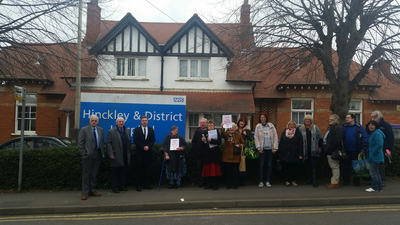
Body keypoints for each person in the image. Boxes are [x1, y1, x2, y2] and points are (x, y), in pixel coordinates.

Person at [78, 115, 104, 200]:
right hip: (87, 155)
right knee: (86, 175)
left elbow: (101, 142)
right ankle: (84, 192)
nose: (94, 122)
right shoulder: (84, 130)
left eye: (95, 120)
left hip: (97, 154)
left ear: (97, 122)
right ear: (89, 121)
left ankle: (92, 190)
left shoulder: (100, 130)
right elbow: (80, 143)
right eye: (92, 120)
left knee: (93, 174)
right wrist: (83, 153)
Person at [366, 110, 394, 186]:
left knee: (380, 166)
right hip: (373, 149)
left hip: (382, 149)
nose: (373, 118)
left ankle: (381, 181)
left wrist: (389, 148)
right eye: (372, 117)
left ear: (379, 117)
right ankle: (375, 180)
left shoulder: (385, 125)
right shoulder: (371, 125)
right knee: (373, 167)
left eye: (374, 117)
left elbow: (390, 138)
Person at [341, 114, 368, 186]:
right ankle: (346, 181)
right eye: (346, 117)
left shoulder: (359, 127)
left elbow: (364, 138)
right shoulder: (344, 127)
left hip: (356, 151)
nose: (346, 119)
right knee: (345, 167)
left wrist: (363, 150)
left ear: (353, 119)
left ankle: (356, 181)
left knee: (357, 167)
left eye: (348, 118)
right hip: (346, 151)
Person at [106, 117, 131, 193]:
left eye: (122, 121)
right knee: (115, 172)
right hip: (115, 155)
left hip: (125, 154)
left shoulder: (127, 130)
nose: (121, 123)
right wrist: (111, 154)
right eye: (119, 121)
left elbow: (129, 142)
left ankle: (122, 186)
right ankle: (115, 187)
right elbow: (108, 144)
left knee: (123, 172)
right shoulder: (111, 131)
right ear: (116, 122)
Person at [254, 113, 278, 188]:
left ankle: (267, 181)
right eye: (261, 117)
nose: (263, 118)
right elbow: (256, 137)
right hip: (262, 149)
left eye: (264, 117)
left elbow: (275, 137)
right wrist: (258, 148)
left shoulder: (271, 126)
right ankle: (261, 181)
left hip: (270, 149)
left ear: (266, 118)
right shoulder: (258, 126)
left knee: (269, 165)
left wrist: (275, 148)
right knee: (261, 165)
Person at [299, 115, 323, 188]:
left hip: (314, 150)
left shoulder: (315, 128)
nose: (307, 121)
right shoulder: (301, 128)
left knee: (314, 165)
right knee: (307, 166)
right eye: (306, 120)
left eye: (309, 120)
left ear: (311, 120)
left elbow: (321, 138)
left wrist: (320, 147)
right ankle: (309, 179)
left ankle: (314, 180)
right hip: (305, 150)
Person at [133, 116, 156, 192]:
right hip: (139, 153)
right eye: (143, 120)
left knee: (147, 169)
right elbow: (135, 140)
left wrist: (148, 146)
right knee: (139, 169)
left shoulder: (151, 130)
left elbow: (153, 140)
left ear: (147, 121)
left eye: (146, 120)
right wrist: (143, 147)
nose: (144, 122)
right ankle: (138, 185)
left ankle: (146, 184)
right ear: (140, 121)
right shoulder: (137, 130)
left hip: (148, 153)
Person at [278, 121, 303, 187]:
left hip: (294, 153)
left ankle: (293, 180)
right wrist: (280, 152)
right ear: (288, 126)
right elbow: (281, 142)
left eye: (293, 125)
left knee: (293, 168)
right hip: (285, 153)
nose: (291, 126)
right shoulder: (284, 132)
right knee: (286, 168)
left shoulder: (298, 133)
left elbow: (300, 144)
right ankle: (286, 180)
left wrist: (300, 154)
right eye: (290, 125)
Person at [221, 122, 245, 190]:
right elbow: (222, 135)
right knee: (228, 172)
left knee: (235, 172)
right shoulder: (227, 134)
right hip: (227, 156)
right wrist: (222, 128)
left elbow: (243, 143)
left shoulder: (238, 135)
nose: (231, 129)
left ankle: (235, 184)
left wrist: (239, 145)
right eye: (230, 127)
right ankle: (228, 184)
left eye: (233, 127)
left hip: (236, 156)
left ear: (235, 128)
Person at [323, 114, 343, 189]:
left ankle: (335, 182)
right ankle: (333, 181)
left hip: (333, 151)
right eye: (329, 119)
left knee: (335, 166)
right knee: (332, 166)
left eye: (331, 120)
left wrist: (331, 149)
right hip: (329, 150)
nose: (329, 121)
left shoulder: (336, 128)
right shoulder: (330, 128)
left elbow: (337, 141)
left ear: (335, 121)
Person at [202, 120, 222, 190]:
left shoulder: (217, 132)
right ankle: (208, 184)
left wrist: (212, 141)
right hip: (207, 153)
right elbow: (203, 143)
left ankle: (215, 184)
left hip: (215, 153)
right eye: (209, 126)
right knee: (208, 170)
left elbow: (219, 142)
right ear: (207, 126)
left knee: (214, 170)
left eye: (212, 125)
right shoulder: (205, 133)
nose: (211, 127)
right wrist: (204, 140)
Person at [365, 120, 385, 192]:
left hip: (375, 156)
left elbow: (379, 145)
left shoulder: (376, 134)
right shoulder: (374, 133)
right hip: (377, 156)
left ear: (376, 126)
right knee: (377, 172)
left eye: (372, 125)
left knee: (374, 173)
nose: (370, 126)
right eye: (369, 125)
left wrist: (372, 153)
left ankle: (374, 187)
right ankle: (379, 187)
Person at [192, 118, 209, 187]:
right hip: (198, 154)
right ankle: (201, 182)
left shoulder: (209, 131)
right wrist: (195, 150)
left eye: (204, 123)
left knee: (206, 168)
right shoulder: (197, 131)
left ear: (206, 123)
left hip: (207, 153)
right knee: (200, 168)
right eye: (201, 123)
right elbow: (194, 141)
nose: (202, 124)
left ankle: (207, 182)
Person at [237, 118, 253, 186]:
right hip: (237, 150)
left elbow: (251, 139)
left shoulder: (247, 130)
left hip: (244, 151)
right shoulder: (236, 130)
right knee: (237, 166)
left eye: (243, 122)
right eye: (241, 122)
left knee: (243, 166)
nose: (242, 123)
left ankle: (242, 181)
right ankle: (237, 180)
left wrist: (246, 134)